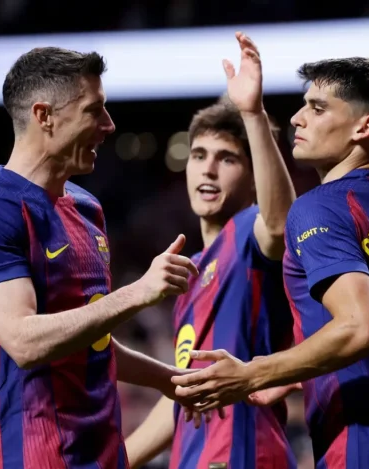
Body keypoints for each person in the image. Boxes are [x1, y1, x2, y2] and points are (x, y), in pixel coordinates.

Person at [170, 57, 369, 468]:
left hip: (365, 448)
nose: (298, 118)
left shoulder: (320, 207)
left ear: (364, 127)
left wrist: (253, 373)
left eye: (317, 108)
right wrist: (301, 373)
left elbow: (361, 328)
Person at [0, 47, 206, 469]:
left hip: (105, 454)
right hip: (35, 456)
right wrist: (136, 293)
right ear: (44, 115)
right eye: (94, 110)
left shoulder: (86, 208)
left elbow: (90, 342)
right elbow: (24, 341)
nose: (109, 125)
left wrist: (172, 381)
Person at [124, 32, 297, 469]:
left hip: (244, 454)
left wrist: (253, 115)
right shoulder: (192, 271)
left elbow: (279, 224)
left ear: (254, 176)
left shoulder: (249, 235)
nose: (208, 168)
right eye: (199, 155)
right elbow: (185, 390)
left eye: (227, 158)